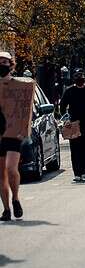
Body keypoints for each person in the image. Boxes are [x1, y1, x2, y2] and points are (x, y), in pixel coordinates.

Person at [60, 69, 85, 182]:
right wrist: (66, 119)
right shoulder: (69, 91)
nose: (80, 80)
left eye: (81, 77)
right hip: (74, 124)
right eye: (78, 77)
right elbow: (62, 107)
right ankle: (77, 173)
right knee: (75, 148)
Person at [0, 52, 23, 221]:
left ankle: (15, 198)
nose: (2, 64)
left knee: (11, 168)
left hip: (13, 133)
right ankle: (6, 209)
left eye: (5, 62)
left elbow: (25, 110)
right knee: (1, 174)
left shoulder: (19, 86)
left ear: (11, 64)